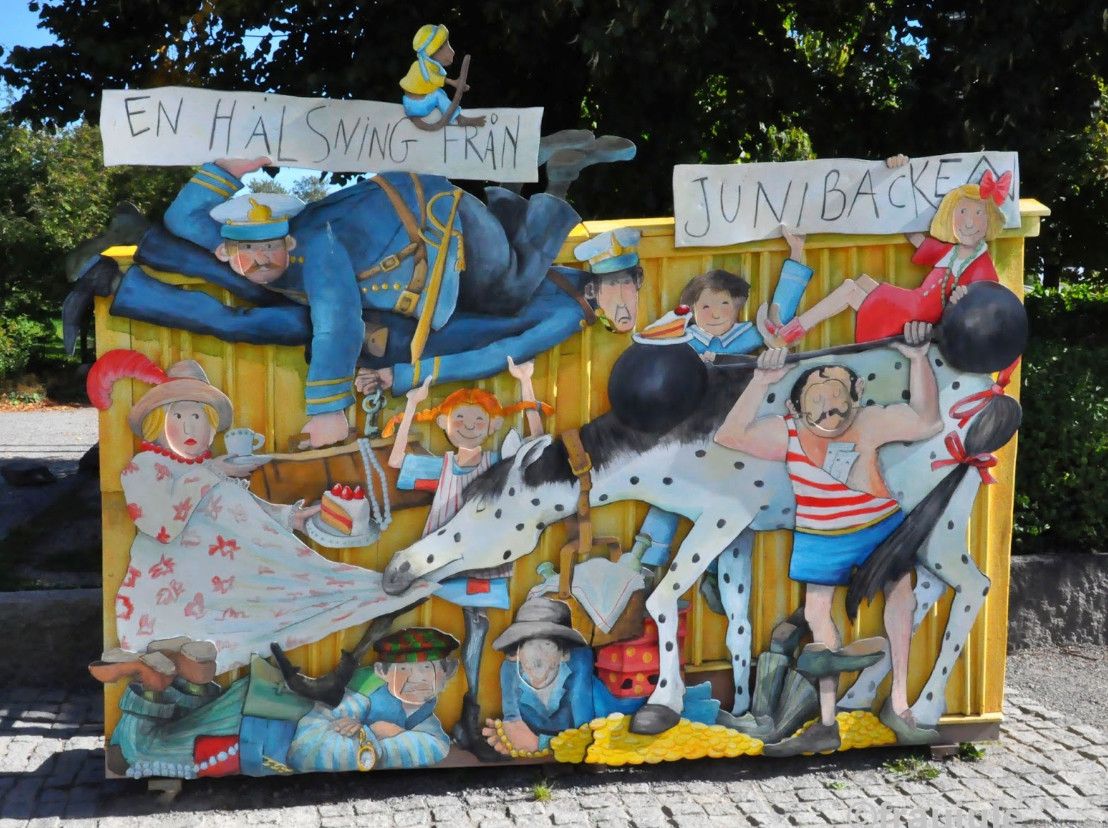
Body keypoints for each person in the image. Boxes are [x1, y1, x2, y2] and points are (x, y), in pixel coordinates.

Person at [105, 155, 582, 447]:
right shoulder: (244, 246)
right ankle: (519, 195)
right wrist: (231, 167)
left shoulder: (320, 250)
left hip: (444, 217)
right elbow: (186, 219)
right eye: (247, 253)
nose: (260, 260)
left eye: (270, 249)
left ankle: (552, 185)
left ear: (289, 243)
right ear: (225, 252)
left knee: (508, 291)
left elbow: (340, 324)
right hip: (399, 218)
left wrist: (327, 413)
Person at [86, 348, 438, 676]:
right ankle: (160, 659)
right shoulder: (146, 467)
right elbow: (161, 524)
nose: (190, 427)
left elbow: (244, 512)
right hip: (172, 595)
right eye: (178, 416)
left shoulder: (212, 470)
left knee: (330, 587)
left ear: (211, 426)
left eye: (198, 416)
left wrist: (290, 517)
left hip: (228, 584)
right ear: (157, 424)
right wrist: (212, 472)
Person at [714, 321, 943, 755]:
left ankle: (899, 704)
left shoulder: (869, 421)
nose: (829, 407)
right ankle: (826, 721)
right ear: (796, 407)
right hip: (821, 535)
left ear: (856, 394)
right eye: (816, 400)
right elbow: (730, 435)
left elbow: (927, 422)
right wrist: (762, 379)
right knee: (818, 612)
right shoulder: (787, 431)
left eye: (837, 395)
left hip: (879, 525)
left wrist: (917, 359)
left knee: (901, 594)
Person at [382, 357, 552, 758]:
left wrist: (526, 385)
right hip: (436, 561)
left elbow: (539, 449)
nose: (469, 425)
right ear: (444, 423)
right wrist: (411, 405)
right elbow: (396, 461)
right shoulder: (441, 466)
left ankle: (470, 716)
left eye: (479, 419)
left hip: (483, 563)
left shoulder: (498, 465)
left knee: (478, 628)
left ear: (493, 426)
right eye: (460, 417)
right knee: (396, 606)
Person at [626, 228, 813, 583]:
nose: (714, 313)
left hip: (729, 437)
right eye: (705, 306)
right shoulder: (679, 339)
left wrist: (797, 251)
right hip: (688, 435)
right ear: (693, 311)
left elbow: (781, 313)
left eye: (724, 304)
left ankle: (714, 569)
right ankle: (647, 560)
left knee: (727, 500)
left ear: (738, 306)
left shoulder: (745, 338)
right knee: (670, 491)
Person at [352, 227, 646, 395]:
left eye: (628, 284)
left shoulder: (564, 283)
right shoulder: (568, 315)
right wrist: (405, 375)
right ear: (593, 289)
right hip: (417, 335)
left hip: (405, 312)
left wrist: (404, 375)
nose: (623, 298)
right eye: (615, 284)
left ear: (639, 281)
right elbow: (499, 354)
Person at [762, 169, 1011, 346]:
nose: (969, 222)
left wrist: (963, 301)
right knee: (861, 282)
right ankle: (791, 331)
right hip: (912, 303)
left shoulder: (982, 266)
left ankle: (787, 335)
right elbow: (915, 237)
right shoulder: (951, 251)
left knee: (849, 289)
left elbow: (985, 311)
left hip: (916, 318)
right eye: (963, 211)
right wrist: (897, 181)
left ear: (990, 219)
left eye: (979, 213)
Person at [287, 628, 460, 771]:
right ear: (382, 672)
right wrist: (371, 736)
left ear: (449, 671)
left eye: (427, 668)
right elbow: (304, 751)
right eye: (403, 669)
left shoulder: (423, 712)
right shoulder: (357, 697)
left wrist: (392, 734)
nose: (417, 678)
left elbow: (437, 746)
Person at [482, 597, 595, 757]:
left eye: (547, 645)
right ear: (517, 653)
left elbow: (585, 734)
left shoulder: (579, 665)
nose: (537, 656)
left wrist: (539, 744)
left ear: (564, 654)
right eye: (530, 645)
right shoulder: (509, 671)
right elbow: (513, 724)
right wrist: (513, 736)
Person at [399, 23, 484, 127]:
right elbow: (433, 78)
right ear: (429, 53)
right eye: (440, 48)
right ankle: (459, 118)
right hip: (415, 106)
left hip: (412, 104)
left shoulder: (426, 65)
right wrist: (453, 82)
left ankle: (454, 116)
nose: (451, 51)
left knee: (438, 92)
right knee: (438, 94)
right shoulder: (421, 67)